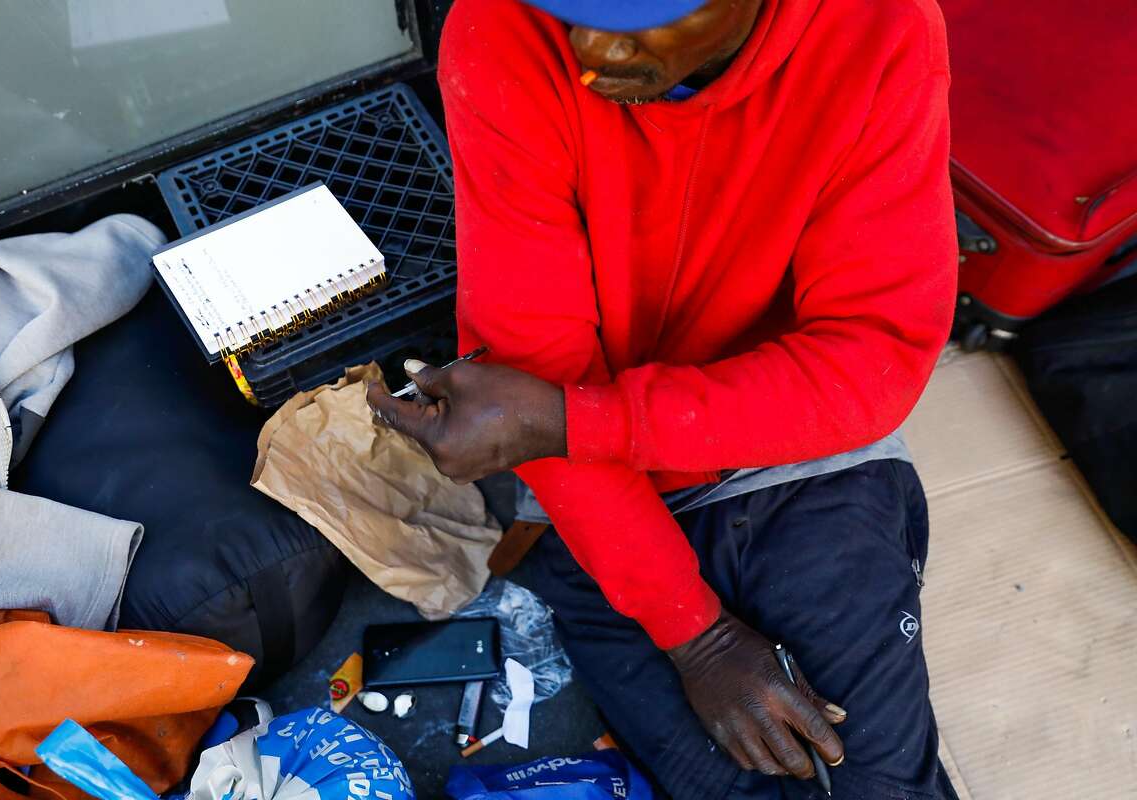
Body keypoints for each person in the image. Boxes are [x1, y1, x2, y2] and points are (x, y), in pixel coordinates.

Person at [368, 0, 958, 796]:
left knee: (884, 786)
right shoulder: (499, 28)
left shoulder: (879, 27)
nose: (589, 49)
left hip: (794, 459)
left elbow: (871, 360)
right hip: (598, 507)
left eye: (643, 14)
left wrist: (579, 420)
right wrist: (697, 637)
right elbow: (539, 377)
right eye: (570, 6)